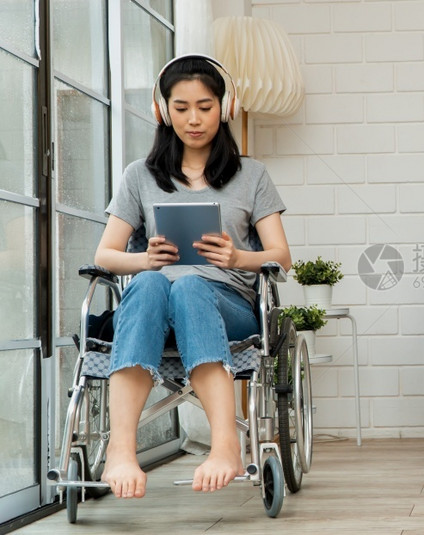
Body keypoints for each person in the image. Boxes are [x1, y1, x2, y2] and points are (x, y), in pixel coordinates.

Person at [94, 54, 291, 499]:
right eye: (181, 108)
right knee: (151, 283)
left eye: (204, 106)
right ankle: (121, 449)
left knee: (190, 287)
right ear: (163, 111)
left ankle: (225, 445)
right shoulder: (139, 177)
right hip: (155, 300)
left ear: (224, 108)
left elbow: (281, 256)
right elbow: (105, 253)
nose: (194, 119)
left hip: (229, 306)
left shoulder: (252, 175)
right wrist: (145, 259)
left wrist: (237, 257)